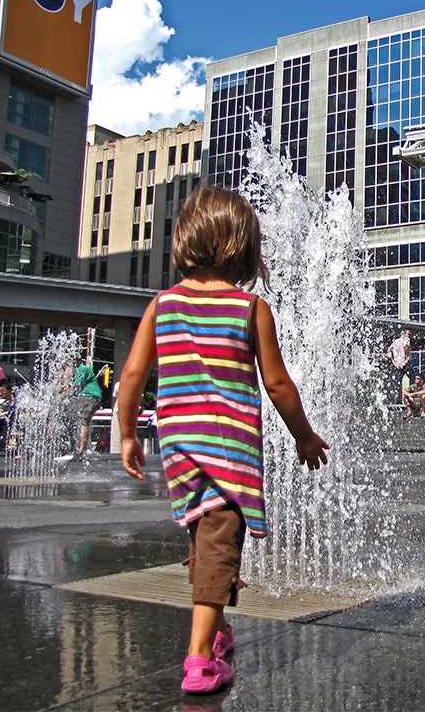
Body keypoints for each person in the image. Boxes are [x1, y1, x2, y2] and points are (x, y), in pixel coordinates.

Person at [117, 185, 330, 696]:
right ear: (244, 247)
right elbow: (278, 384)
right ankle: (198, 661)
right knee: (220, 537)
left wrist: (127, 434)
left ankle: (215, 630)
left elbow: (131, 377)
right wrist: (304, 436)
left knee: (204, 532)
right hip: (227, 447)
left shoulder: (162, 305)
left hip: (176, 444)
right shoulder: (249, 308)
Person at [61, 360, 103, 460]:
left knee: (82, 420)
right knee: (68, 416)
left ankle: (81, 450)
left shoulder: (83, 369)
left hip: (91, 397)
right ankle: (74, 446)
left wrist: (61, 396)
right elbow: (65, 385)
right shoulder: (75, 372)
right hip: (82, 398)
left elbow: (73, 387)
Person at [386, 328, 412, 401]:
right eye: (408, 334)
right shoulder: (406, 339)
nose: (409, 336)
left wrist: (392, 360)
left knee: (398, 381)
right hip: (405, 362)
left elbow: (389, 349)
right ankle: (411, 395)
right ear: (403, 334)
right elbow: (405, 346)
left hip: (397, 364)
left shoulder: (396, 341)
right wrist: (408, 356)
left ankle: (397, 398)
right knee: (413, 377)